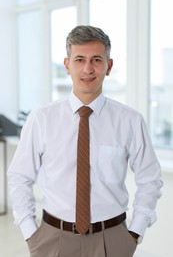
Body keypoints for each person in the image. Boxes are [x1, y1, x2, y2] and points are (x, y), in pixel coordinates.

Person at [7, 25, 163, 257]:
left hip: (113, 240)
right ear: (67, 65)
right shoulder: (41, 119)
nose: (88, 69)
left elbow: (150, 179)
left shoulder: (130, 120)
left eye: (96, 60)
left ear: (108, 66)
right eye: (79, 59)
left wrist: (134, 233)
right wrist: (31, 233)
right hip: (52, 239)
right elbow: (20, 176)